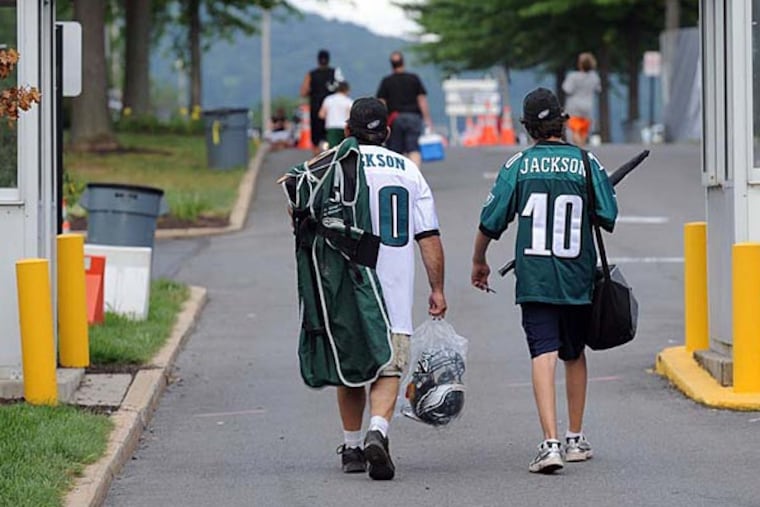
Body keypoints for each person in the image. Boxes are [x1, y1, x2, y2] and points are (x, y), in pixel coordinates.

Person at [470, 88, 617, 474]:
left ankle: (549, 443)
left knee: (543, 353)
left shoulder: (517, 165)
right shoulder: (587, 162)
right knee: (574, 352)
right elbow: (608, 214)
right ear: (562, 122)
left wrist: (478, 259)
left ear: (528, 126)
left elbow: (491, 221)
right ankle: (575, 438)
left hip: (535, 277)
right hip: (576, 276)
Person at [333, 97, 447, 480]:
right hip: (393, 293)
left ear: (348, 131)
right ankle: (377, 430)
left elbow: (298, 211)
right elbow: (428, 236)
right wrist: (437, 288)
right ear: (386, 132)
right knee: (389, 365)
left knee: (350, 369)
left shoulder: (332, 166)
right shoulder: (409, 171)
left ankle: (351, 447)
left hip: (346, 289)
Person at [376, 51, 433, 167]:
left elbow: (382, 102)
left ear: (391, 64)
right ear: (403, 62)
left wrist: (382, 120)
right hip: (414, 116)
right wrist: (427, 119)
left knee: (396, 149)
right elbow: (422, 100)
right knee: (413, 148)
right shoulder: (414, 78)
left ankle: (398, 175)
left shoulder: (387, 81)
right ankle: (415, 175)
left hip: (395, 118)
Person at [300, 49, 342, 154]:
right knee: (330, 136)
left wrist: (312, 91)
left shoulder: (311, 74)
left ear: (317, 60)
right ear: (329, 60)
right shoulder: (335, 72)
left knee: (316, 137)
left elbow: (303, 91)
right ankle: (330, 156)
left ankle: (316, 158)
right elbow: (342, 88)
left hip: (316, 108)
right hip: (332, 110)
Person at [562, 52, 601, 146]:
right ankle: (581, 148)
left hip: (574, 107)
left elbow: (567, 89)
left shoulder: (573, 76)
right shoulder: (594, 77)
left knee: (574, 129)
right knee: (583, 131)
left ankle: (578, 146)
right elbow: (598, 89)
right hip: (588, 106)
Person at [318, 81, 352, 148]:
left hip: (331, 127)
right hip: (344, 128)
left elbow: (321, 115)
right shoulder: (348, 101)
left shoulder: (328, 99)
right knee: (343, 148)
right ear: (347, 90)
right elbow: (350, 116)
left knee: (332, 149)